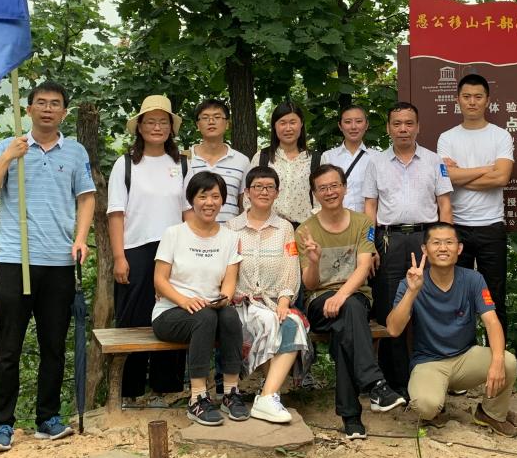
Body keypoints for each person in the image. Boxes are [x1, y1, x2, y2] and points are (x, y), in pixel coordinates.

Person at [0, 80, 95, 452]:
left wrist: (81, 238)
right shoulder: (9, 146)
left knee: (53, 345)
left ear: (64, 112)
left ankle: (48, 418)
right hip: (16, 259)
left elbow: (86, 197)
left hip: (59, 260)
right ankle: (2, 424)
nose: (47, 109)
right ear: (28, 109)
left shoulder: (74, 151)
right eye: (41, 103)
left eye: (55, 103)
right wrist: (8, 158)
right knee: (8, 346)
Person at [300, 164, 405, 439]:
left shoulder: (362, 223)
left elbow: (364, 266)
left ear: (345, 188)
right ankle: (376, 384)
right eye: (322, 188)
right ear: (314, 194)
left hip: (353, 296)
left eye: (334, 185)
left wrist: (342, 295)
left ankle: (352, 418)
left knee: (346, 322)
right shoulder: (305, 230)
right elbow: (309, 285)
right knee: (350, 316)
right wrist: (314, 262)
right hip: (319, 301)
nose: (329, 192)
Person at [387, 222, 517, 437]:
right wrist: (412, 292)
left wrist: (496, 361)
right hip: (429, 361)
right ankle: (436, 410)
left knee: (507, 361)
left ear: (459, 248)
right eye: (436, 243)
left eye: (449, 242)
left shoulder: (473, 279)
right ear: (424, 249)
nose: (443, 248)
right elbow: (393, 329)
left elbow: (492, 321)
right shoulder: (411, 282)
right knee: (425, 406)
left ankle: (490, 413)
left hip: (465, 358)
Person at [364, 101, 453, 392]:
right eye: (397, 124)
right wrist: (369, 245)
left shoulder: (434, 161)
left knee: (428, 303)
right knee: (391, 306)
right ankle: (395, 381)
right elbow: (370, 207)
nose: (403, 129)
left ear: (418, 127)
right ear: (389, 128)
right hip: (388, 239)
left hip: (425, 237)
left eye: (409, 123)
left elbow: (444, 205)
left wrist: (445, 243)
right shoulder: (375, 162)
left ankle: (432, 375)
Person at [107, 95, 190, 406]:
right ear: (139, 127)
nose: (157, 127)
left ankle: (166, 389)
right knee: (133, 319)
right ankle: (129, 392)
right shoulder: (126, 164)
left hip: (174, 250)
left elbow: (189, 211)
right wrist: (119, 257)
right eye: (151, 122)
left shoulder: (182, 163)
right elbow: (116, 212)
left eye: (163, 122)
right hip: (135, 249)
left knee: (173, 314)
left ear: (171, 128)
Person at [152, 171, 248, 426]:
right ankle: (197, 397)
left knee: (229, 315)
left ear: (223, 200)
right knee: (204, 317)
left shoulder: (229, 237)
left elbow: (230, 280)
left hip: (211, 310)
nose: (209, 202)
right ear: (192, 200)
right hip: (171, 312)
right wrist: (185, 301)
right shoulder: (174, 233)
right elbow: (160, 280)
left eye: (215, 196)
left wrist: (224, 298)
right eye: (203, 196)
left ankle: (230, 392)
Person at [226, 166, 310, 424]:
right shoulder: (231, 228)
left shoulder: (285, 228)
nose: (264, 192)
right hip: (241, 303)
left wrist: (284, 301)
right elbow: (226, 271)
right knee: (268, 322)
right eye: (258, 187)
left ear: (277, 193)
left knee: (292, 322)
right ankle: (270, 396)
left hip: (275, 301)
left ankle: (267, 395)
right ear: (247, 192)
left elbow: (291, 269)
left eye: (269, 187)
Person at [436, 74, 514, 332]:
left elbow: (501, 178)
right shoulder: (447, 138)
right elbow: (445, 178)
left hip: (491, 226)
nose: (472, 102)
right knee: (457, 299)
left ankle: (498, 354)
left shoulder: (500, 136)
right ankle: (461, 353)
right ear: (458, 100)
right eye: (467, 96)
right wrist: (486, 169)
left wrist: (459, 176)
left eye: (478, 97)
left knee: (495, 297)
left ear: (487, 100)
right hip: (457, 227)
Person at [250, 101, 319, 228]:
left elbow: (320, 201)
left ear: (301, 124)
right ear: (274, 126)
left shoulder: (315, 159)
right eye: (282, 123)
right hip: (267, 228)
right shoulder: (262, 157)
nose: (288, 128)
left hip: (304, 229)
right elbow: (249, 198)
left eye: (293, 122)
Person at [183, 99, 249, 224]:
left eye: (217, 117)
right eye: (205, 117)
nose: (211, 121)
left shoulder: (242, 161)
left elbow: (244, 204)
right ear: (198, 125)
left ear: (227, 123)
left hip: (230, 232)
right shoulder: (184, 159)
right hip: (192, 233)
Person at [322, 104, 379, 213]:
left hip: (368, 220)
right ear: (340, 126)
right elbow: (323, 192)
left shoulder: (377, 157)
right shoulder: (328, 157)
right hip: (337, 219)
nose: (353, 127)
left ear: (366, 125)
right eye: (348, 122)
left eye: (359, 121)